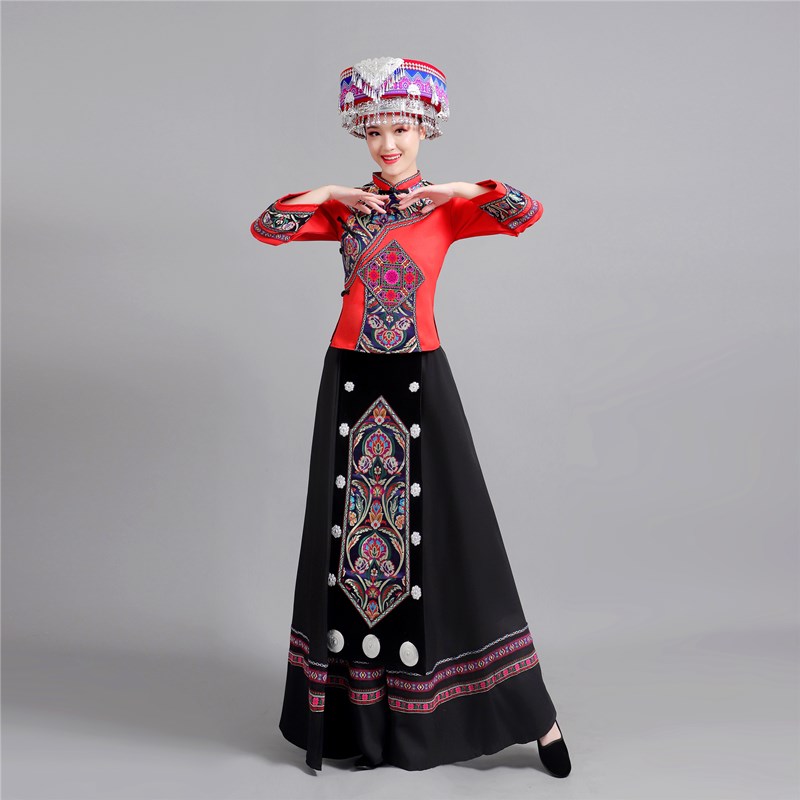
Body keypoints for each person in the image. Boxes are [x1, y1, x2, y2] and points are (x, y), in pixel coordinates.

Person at [250, 56, 572, 778]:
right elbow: (267, 228)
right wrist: (329, 192)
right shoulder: (348, 209)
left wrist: (461, 189)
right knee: (355, 554)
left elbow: (525, 213)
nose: (388, 145)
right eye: (375, 133)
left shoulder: (445, 208)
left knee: (449, 542)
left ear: (425, 129)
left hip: (419, 382)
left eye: (400, 130)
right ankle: (371, 730)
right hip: (350, 384)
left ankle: (532, 714)